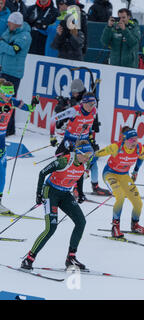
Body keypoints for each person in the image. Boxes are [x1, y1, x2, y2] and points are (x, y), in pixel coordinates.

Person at [20, 140, 94, 270]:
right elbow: (42, 172)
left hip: (65, 194)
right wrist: (39, 194)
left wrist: (81, 193)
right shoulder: (64, 161)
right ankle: (29, 258)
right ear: (79, 153)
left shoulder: (82, 164)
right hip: (51, 193)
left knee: (81, 222)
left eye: (90, 154)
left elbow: (80, 176)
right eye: (87, 154)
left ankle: (71, 258)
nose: (89, 157)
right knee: (51, 228)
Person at [50, 91, 111, 198]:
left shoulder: (94, 111)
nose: (93, 106)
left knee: (92, 161)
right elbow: (53, 119)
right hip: (70, 140)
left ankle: (94, 186)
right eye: (91, 104)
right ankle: (56, 185)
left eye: (94, 104)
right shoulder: (74, 111)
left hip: (84, 141)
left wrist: (91, 138)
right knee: (64, 162)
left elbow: (89, 126)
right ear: (84, 103)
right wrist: (52, 137)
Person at [94, 126, 144, 238]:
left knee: (138, 202)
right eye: (131, 140)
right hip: (110, 174)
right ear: (125, 140)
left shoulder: (139, 148)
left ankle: (135, 225)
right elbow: (97, 154)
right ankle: (115, 227)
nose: (134, 142)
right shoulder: (115, 147)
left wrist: (135, 171)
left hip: (124, 175)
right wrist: (86, 165)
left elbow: (141, 158)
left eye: (136, 139)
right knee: (120, 196)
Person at [0, 80, 36, 214]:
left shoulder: (11, 102)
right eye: (6, 94)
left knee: (2, 170)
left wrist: (32, 105)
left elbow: (27, 107)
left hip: (1, 139)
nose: (9, 97)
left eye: (11, 94)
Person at [0, 12, 31, 136]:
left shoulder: (25, 36)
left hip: (13, 73)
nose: (7, 24)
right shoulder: (9, 31)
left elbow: (13, 51)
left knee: (9, 101)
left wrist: (2, 44)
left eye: (10, 22)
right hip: (3, 70)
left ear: (16, 24)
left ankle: (9, 129)